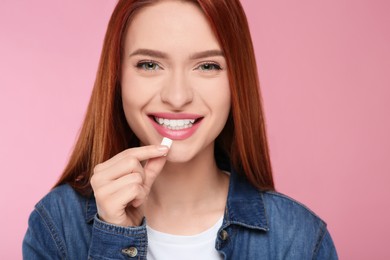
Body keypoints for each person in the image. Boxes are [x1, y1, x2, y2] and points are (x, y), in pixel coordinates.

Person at [23, 0, 338, 259]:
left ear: (236, 81)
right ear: (117, 76)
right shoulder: (57, 224)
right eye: (149, 64)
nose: (177, 97)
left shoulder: (299, 239)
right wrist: (114, 236)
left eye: (207, 66)